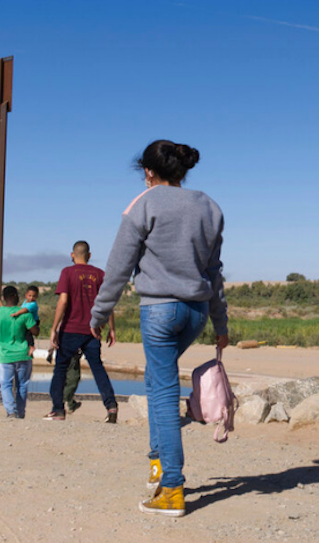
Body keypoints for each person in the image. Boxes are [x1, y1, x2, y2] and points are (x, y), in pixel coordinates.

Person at [90, 140, 228, 517]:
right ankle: (156, 463)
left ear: (149, 172)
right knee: (156, 380)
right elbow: (215, 273)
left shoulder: (144, 203)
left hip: (161, 312)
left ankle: (170, 487)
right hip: (196, 313)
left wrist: (99, 315)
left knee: (164, 394)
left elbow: (118, 267)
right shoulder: (209, 206)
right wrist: (220, 322)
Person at [44, 241, 119, 423]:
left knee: (61, 369)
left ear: (72, 255)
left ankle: (58, 409)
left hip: (70, 329)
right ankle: (111, 406)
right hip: (92, 330)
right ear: (90, 255)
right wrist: (112, 328)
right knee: (97, 369)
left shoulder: (67, 272)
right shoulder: (99, 274)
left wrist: (54, 328)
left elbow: (63, 301)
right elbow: (106, 303)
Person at [0, 286, 39, 419]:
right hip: (24, 354)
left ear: (3, 297)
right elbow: (35, 331)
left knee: (6, 384)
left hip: (6, 355)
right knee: (22, 384)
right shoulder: (24, 313)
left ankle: (11, 411)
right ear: (15, 296)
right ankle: (20, 412)